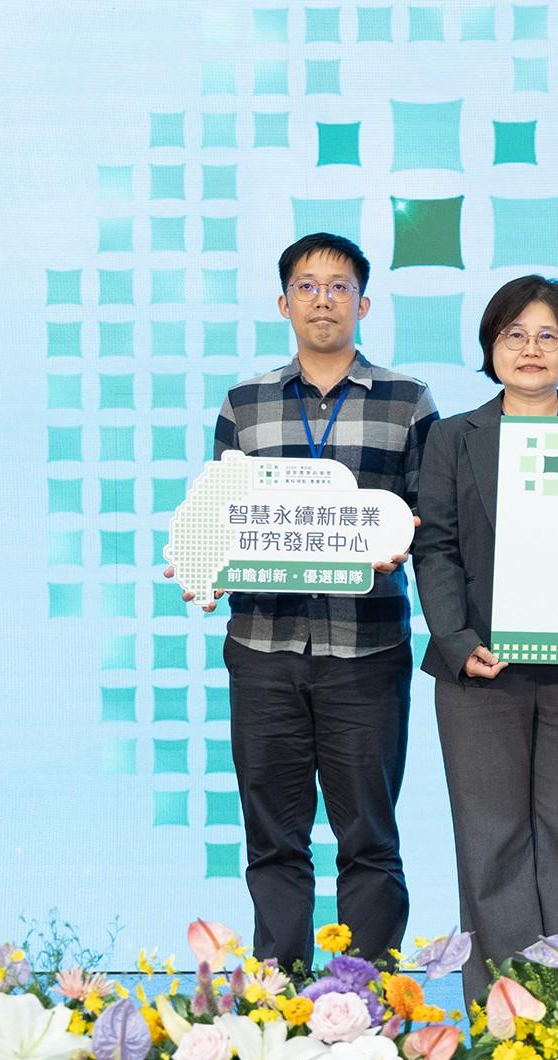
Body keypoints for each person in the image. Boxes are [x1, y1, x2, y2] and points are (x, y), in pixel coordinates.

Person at [208, 232, 437, 968]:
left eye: (340, 287)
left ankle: (369, 999)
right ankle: (278, 998)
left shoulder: (407, 401)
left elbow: (429, 516)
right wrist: (204, 563)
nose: (323, 299)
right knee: (273, 837)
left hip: (366, 645)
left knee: (369, 836)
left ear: (363, 304)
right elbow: (222, 516)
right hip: (263, 645)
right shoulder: (244, 404)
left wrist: (401, 536)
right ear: (284, 304)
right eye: (306, 286)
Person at [413, 276, 558, 1009]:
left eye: (547, 335)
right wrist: (456, 640)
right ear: (491, 346)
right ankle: (505, 1022)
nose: (531, 349)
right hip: (481, 673)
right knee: (491, 846)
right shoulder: (452, 437)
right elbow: (435, 548)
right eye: (514, 334)